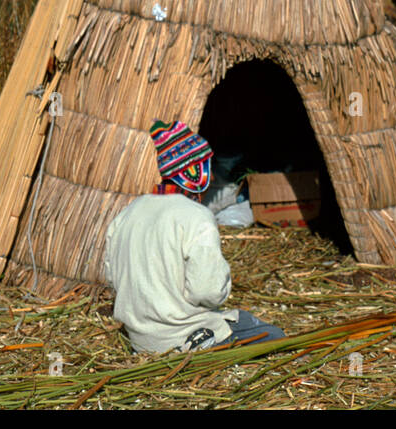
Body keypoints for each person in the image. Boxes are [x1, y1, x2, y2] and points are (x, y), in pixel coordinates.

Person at [103, 119, 286, 353]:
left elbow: (112, 278)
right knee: (274, 335)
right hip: (187, 337)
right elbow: (208, 292)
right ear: (196, 170)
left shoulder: (126, 214)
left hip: (141, 341)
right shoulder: (196, 217)